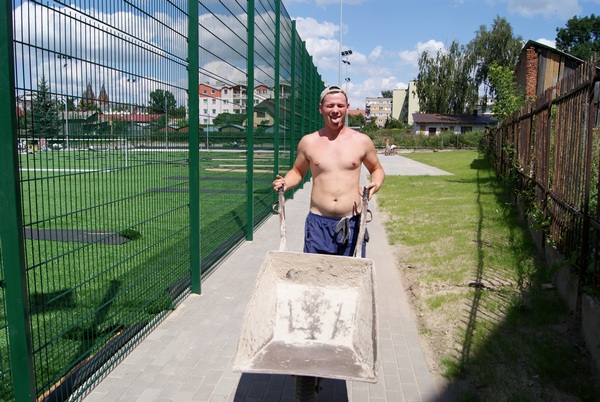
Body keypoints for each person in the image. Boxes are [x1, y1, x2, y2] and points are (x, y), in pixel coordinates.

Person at [273, 85, 385, 256]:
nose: (335, 110)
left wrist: (375, 184)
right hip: (317, 225)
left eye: (340, 105)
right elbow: (297, 171)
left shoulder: (362, 141)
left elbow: (377, 169)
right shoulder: (309, 142)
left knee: (350, 272)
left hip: (351, 224)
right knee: (314, 272)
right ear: (321, 108)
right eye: (330, 106)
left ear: (347, 108)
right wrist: (286, 182)